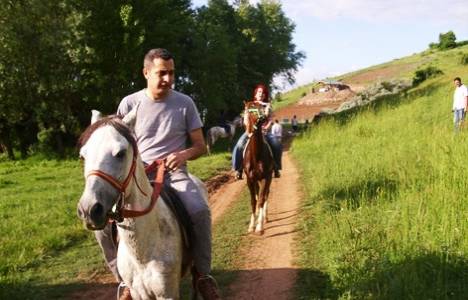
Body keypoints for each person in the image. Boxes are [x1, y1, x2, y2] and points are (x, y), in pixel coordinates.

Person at [94, 48, 220, 300]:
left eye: (171, 73)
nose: (168, 79)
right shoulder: (129, 103)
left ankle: (203, 275)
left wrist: (182, 156)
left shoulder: (185, 103)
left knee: (199, 210)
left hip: (175, 174)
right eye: (162, 73)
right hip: (137, 177)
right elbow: (117, 144)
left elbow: (199, 145)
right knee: (102, 226)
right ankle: (124, 282)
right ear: (146, 73)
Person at [232, 84, 282, 179]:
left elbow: (270, 120)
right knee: (239, 145)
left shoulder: (268, 106)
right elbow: (246, 120)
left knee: (276, 144)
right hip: (250, 131)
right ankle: (238, 169)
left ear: (265, 95)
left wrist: (266, 128)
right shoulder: (249, 105)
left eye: (263, 93)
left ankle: (276, 167)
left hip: (264, 132)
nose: (261, 94)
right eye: (259, 92)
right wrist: (249, 130)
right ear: (255, 94)